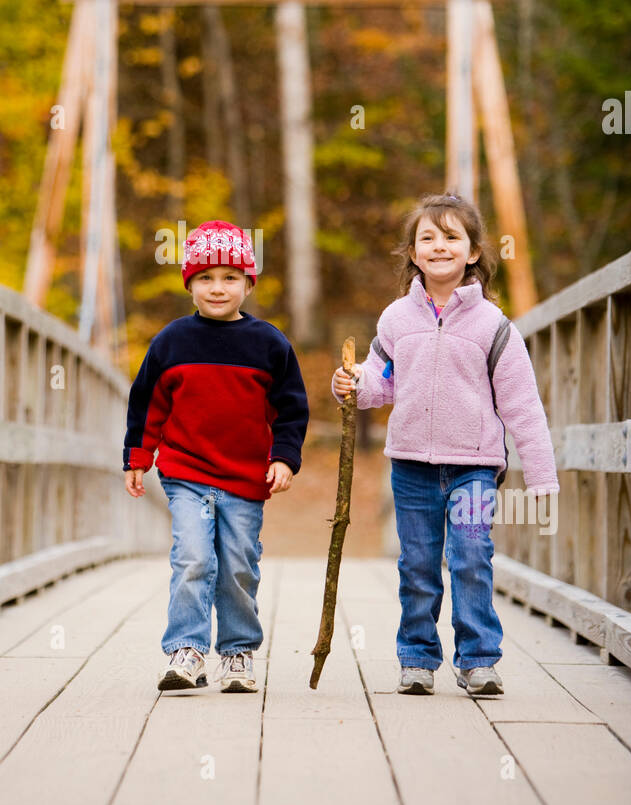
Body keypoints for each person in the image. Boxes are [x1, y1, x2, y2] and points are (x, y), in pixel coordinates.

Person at [331, 192, 559, 698]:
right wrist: (352, 383)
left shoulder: (494, 327)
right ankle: (416, 658)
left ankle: (478, 659)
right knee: (416, 562)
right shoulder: (395, 320)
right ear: (413, 253)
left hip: (474, 467)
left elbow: (521, 404)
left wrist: (541, 475)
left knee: (471, 555)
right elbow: (381, 380)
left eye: (452, 237)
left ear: (474, 251)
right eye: (427, 238)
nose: (439, 246)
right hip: (411, 465)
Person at [124, 220, 309, 694]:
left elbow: (291, 407)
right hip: (186, 471)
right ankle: (186, 650)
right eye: (205, 277)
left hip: (245, 477)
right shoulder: (171, 341)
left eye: (230, 277)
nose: (218, 287)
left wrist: (284, 458)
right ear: (189, 283)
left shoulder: (269, 344)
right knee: (192, 558)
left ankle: (238, 651)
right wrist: (138, 456)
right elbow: (147, 403)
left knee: (238, 565)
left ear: (249, 283)